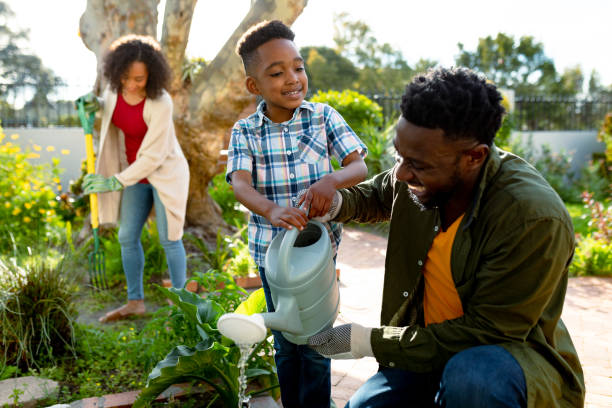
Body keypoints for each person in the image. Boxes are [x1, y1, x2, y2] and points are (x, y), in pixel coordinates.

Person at [308, 67, 585, 407]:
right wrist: (329, 203)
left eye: (418, 165)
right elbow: (379, 194)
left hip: (504, 361)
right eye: (399, 156)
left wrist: (366, 341)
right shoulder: (419, 171)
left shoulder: (532, 217)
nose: (401, 173)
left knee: (472, 379)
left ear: (475, 157)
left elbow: (485, 332)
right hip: (422, 349)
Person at [226, 20, 368, 408]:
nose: (292, 78)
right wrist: (271, 210)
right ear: (254, 85)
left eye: (298, 67)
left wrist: (331, 182)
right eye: (277, 72)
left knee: (318, 342)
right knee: (288, 341)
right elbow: (239, 183)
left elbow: (359, 166)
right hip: (274, 258)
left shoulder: (323, 117)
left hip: (320, 256)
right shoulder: (246, 131)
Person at [78, 34, 190, 323]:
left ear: (152, 75)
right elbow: (112, 108)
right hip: (134, 174)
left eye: (139, 79)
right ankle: (135, 302)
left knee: (170, 239)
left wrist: (114, 181)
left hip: (165, 174)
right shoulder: (115, 92)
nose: (131, 84)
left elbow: (153, 158)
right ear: (117, 73)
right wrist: (95, 105)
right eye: (126, 77)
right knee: (127, 236)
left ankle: (181, 308)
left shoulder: (161, 102)